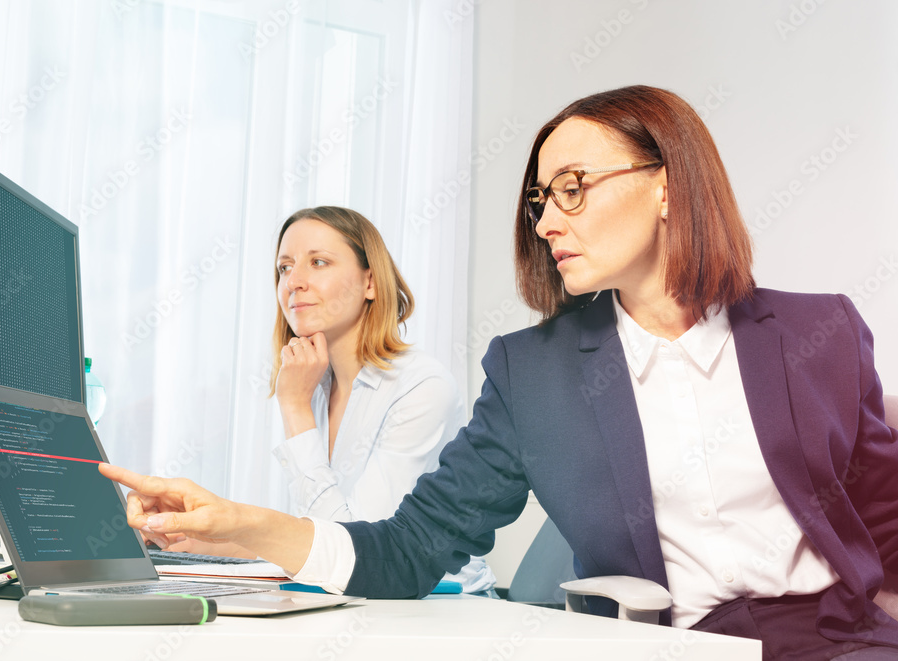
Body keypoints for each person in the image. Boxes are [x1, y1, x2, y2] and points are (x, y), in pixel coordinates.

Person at [101, 86, 898, 657]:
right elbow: (408, 549)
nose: (548, 219)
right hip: (682, 647)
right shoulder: (534, 371)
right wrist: (239, 523)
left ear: (666, 186)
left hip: (847, 639)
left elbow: (886, 523)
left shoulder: (817, 330)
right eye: (541, 200)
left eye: (574, 190)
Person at [144, 205, 495, 593]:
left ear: (371, 284)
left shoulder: (422, 387)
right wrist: (203, 537)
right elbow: (309, 537)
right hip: (363, 603)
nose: (294, 281)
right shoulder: (314, 385)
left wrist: (294, 409)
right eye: (284, 267)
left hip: (446, 609)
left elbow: (357, 553)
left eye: (319, 262)